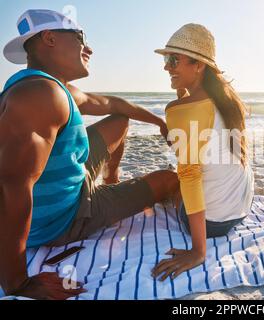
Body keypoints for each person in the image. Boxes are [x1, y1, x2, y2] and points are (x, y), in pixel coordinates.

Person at [0, 9, 179, 300]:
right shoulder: (40, 97)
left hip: (72, 182)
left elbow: (112, 103)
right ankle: (104, 199)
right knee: (169, 180)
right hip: (65, 219)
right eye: (81, 38)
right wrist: (17, 282)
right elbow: (11, 188)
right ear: (50, 38)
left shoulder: (50, 88)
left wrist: (160, 122)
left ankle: (110, 181)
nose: (90, 48)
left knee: (119, 120)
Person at [151, 24, 255, 281]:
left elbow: (189, 175)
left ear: (198, 65)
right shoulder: (228, 100)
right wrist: (182, 95)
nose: (166, 66)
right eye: (166, 59)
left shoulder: (179, 110)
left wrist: (198, 251)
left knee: (170, 180)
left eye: (173, 59)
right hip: (241, 208)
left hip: (212, 224)